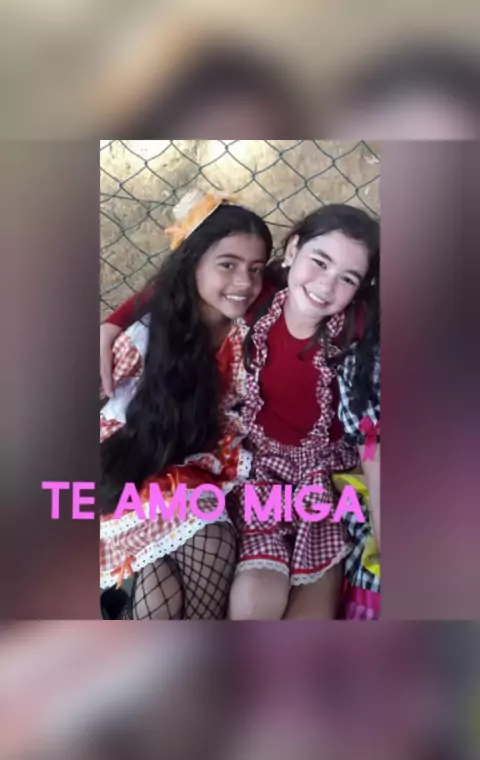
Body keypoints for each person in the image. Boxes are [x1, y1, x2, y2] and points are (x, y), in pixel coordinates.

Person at [100, 190, 273, 619]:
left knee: (163, 581)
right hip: (136, 470)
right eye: (227, 265)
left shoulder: (255, 325)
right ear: (192, 262)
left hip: (213, 473)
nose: (244, 283)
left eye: (255, 269)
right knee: (209, 541)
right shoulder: (146, 336)